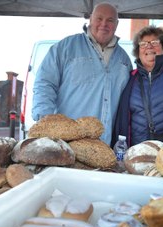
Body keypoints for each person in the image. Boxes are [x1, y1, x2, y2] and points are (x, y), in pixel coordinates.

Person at [32, 2, 133, 145]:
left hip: (104, 144)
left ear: (116, 24)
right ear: (90, 19)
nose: (104, 24)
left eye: (110, 20)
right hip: (67, 141)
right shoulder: (65, 48)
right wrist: (46, 121)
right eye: (99, 18)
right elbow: (45, 83)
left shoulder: (124, 60)